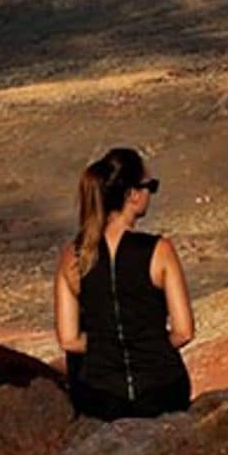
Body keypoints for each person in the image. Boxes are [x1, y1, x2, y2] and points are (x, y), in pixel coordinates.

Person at [52, 147, 195, 419]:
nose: (151, 193)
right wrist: (147, 346)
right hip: (162, 392)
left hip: (100, 397)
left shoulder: (72, 256)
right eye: (149, 186)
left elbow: (69, 341)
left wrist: (108, 350)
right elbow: (184, 331)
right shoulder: (160, 251)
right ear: (132, 194)